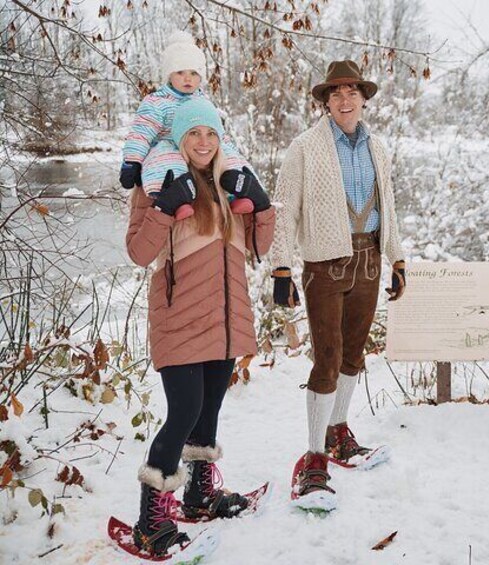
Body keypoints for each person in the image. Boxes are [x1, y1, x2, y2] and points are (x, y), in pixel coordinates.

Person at [125, 97, 275, 556]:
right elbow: (138, 252)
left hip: (225, 321)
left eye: (210, 133)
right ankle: (150, 521)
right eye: (194, 133)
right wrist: (165, 208)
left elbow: (260, 246)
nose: (204, 142)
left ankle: (199, 495)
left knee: (208, 410)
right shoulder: (158, 183)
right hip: (180, 318)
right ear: (179, 138)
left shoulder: (231, 184)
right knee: (184, 412)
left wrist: (262, 203)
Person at [270, 60, 407, 512]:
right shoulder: (305, 147)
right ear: (325, 102)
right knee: (326, 358)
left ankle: (338, 432)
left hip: (369, 259)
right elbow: (285, 210)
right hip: (325, 264)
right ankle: (313, 458)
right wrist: (282, 269)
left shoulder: (378, 147)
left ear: (363, 99)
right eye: (337, 94)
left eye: (352, 92)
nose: (345, 100)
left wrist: (397, 258)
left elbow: (389, 205)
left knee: (353, 355)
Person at [119, 31, 255, 220]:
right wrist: (132, 161)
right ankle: (177, 201)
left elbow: (218, 132)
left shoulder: (203, 101)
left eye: (193, 73)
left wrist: (229, 149)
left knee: (228, 156)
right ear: (169, 75)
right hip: (171, 146)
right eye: (180, 72)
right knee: (168, 162)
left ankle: (238, 194)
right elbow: (142, 132)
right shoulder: (157, 102)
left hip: (199, 147)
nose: (187, 78)